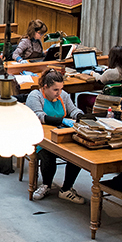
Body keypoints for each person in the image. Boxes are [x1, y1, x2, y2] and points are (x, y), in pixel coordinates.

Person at [26, 69, 86, 204]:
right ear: (45, 87)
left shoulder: (63, 95)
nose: (58, 93)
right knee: (48, 154)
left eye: (60, 89)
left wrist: (80, 116)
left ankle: (66, 189)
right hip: (40, 137)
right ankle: (46, 184)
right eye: (55, 90)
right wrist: (62, 120)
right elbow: (38, 116)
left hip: (61, 135)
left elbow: (73, 109)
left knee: (77, 154)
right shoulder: (35, 96)